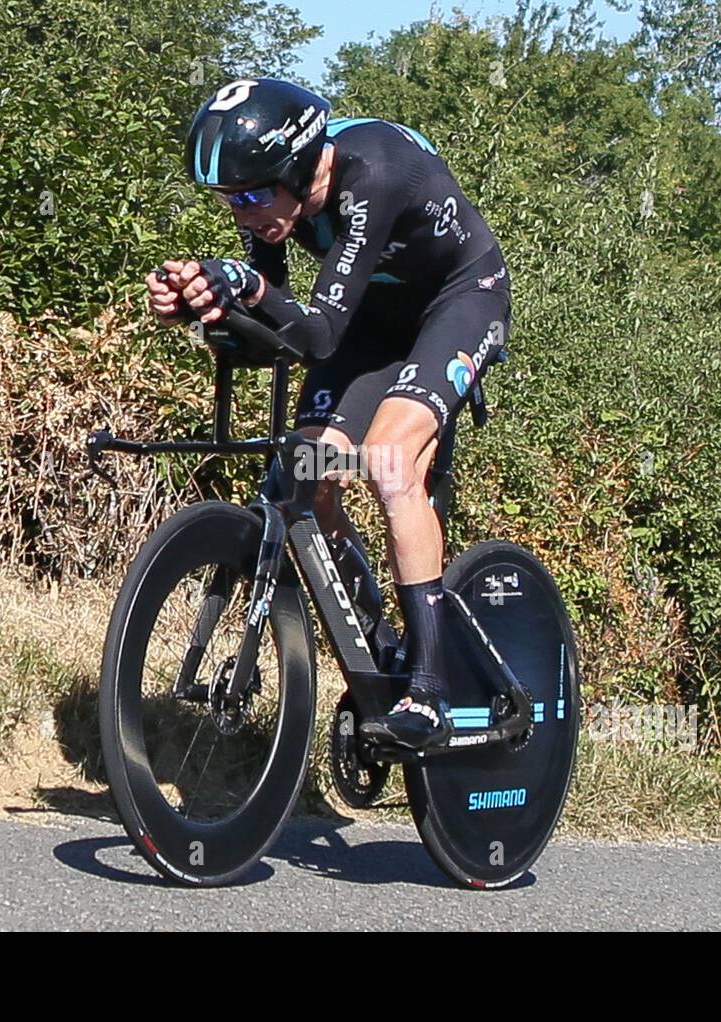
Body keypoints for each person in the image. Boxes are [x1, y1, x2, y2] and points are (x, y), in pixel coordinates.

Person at [147, 78, 510, 750]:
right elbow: (283, 326)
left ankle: (430, 692)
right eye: (230, 201)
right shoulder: (277, 204)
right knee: (308, 476)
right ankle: (377, 642)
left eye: (253, 195)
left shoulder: (370, 173)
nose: (244, 216)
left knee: (391, 463)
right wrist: (202, 305)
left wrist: (246, 283)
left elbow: (312, 336)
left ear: (295, 165)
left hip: (459, 301)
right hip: (368, 327)